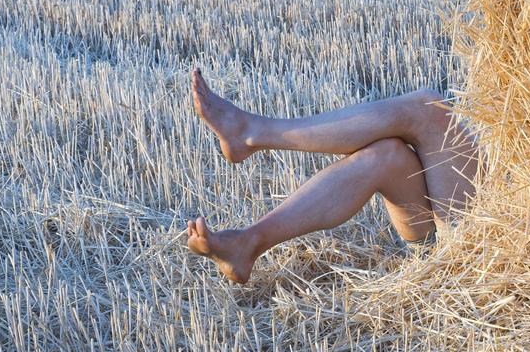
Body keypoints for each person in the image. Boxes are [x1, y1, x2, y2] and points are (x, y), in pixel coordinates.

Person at [185, 68, 478, 283]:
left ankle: (253, 133)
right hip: (469, 231)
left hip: (492, 239)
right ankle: (248, 243)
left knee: (428, 111)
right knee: (386, 156)